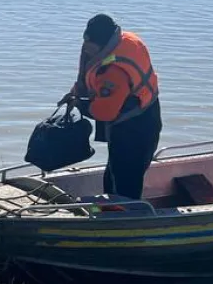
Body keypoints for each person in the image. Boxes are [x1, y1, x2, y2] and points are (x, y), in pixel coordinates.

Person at [61, 13, 161, 200]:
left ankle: (128, 219)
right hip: (132, 116)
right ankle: (113, 208)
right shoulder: (120, 42)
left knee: (127, 178)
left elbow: (104, 112)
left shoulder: (114, 72)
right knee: (114, 169)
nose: (86, 48)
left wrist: (79, 105)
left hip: (137, 125)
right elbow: (86, 73)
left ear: (103, 44)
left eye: (90, 45)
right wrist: (76, 92)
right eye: (85, 42)